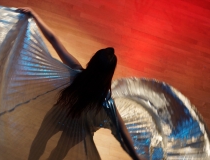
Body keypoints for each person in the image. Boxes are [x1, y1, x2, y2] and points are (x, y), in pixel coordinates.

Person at [17, 7, 142, 160]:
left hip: (59, 115)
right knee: (60, 152)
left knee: (40, 141)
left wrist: (33, 14)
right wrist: (136, 156)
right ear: (109, 75)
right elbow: (121, 129)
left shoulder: (76, 73)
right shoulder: (104, 99)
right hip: (76, 130)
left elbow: (53, 39)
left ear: (92, 62)